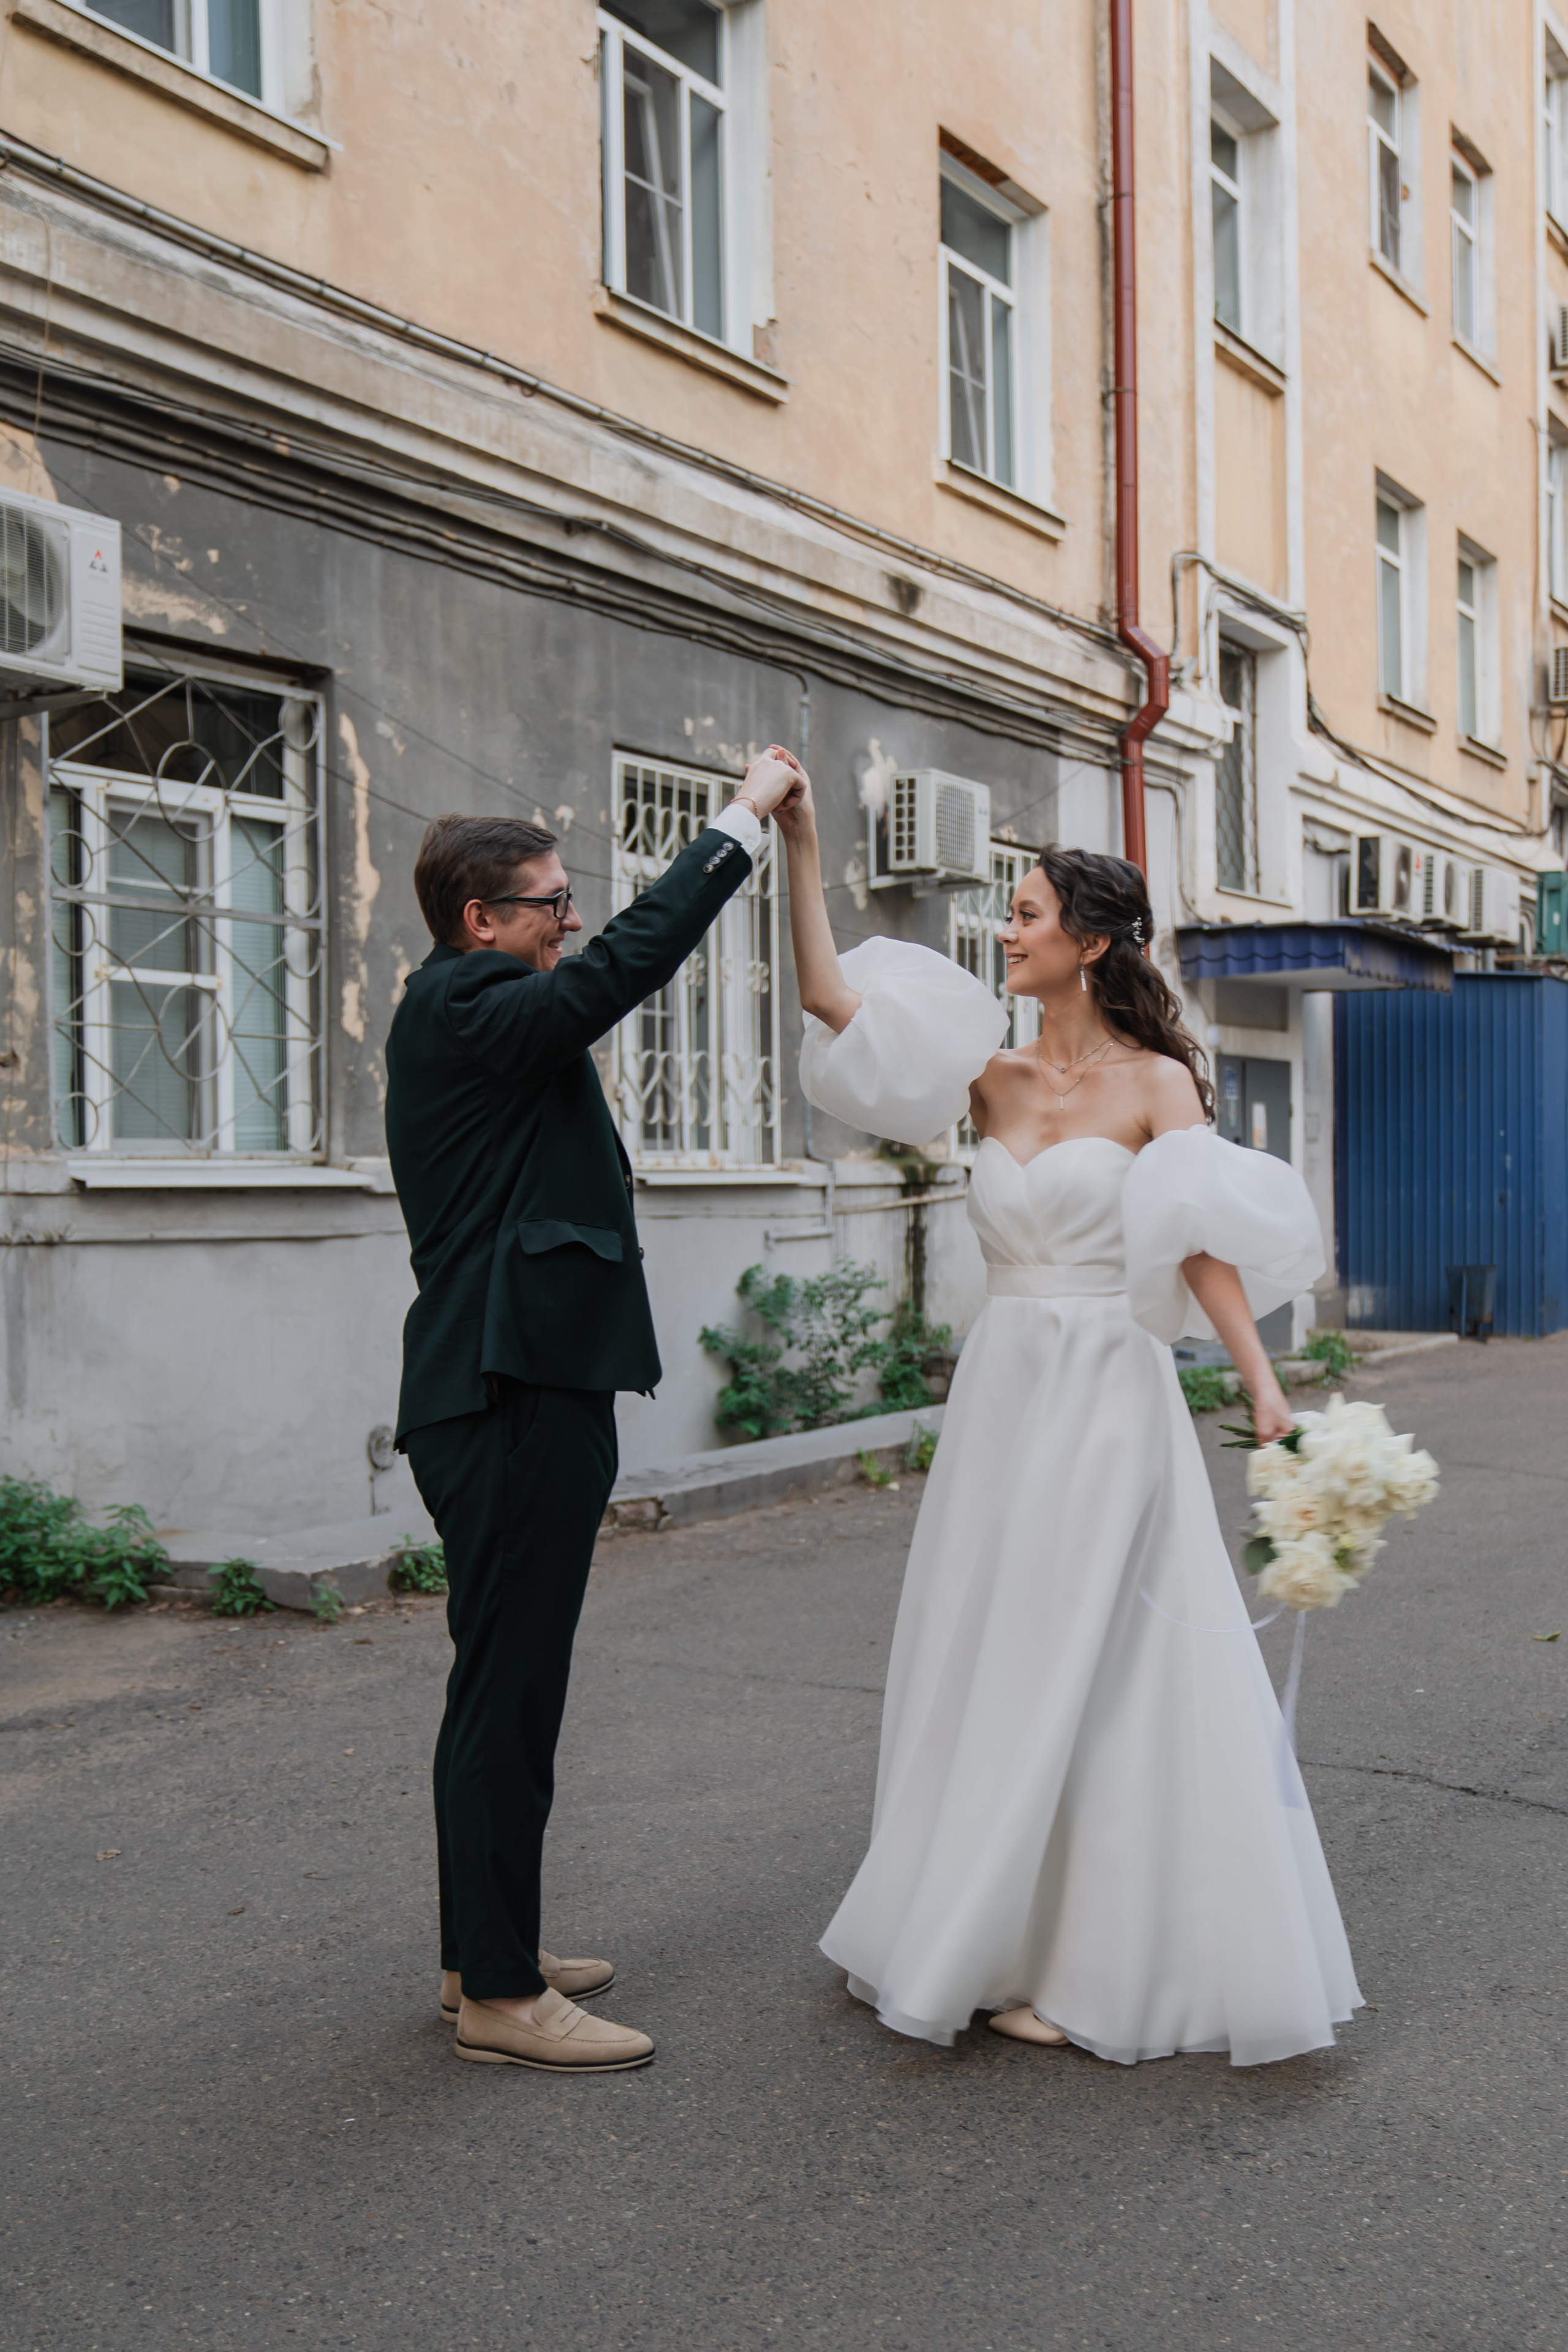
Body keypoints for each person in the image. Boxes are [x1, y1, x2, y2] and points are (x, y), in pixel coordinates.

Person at [774, 757, 1362, 2065]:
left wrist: (1263, 1389)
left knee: (1096, 1659)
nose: (1005, 929)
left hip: (1109, 1389)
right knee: (989, 1646)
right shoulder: (980, 1077)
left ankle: (1093, 1954)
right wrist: (801, 839)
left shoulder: (1159, 1084)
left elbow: (1198, 1247)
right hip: (1003, 1391)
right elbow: (828, 998)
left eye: (1026, 912)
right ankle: (978, 1927)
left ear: (1086, 942)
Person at [384, 749, 802, 2072]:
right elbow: (631, 961)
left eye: (568, 901)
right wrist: (735, 824)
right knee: (507, 1693)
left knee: (506, 1688)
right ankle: (502, 1999)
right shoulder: (470, 1004)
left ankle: (483, 1954)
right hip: (507, 1396)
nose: (570, 920)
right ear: (481, 922)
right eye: (550, 902)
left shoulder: (483, 1007)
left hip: (516, 1390)